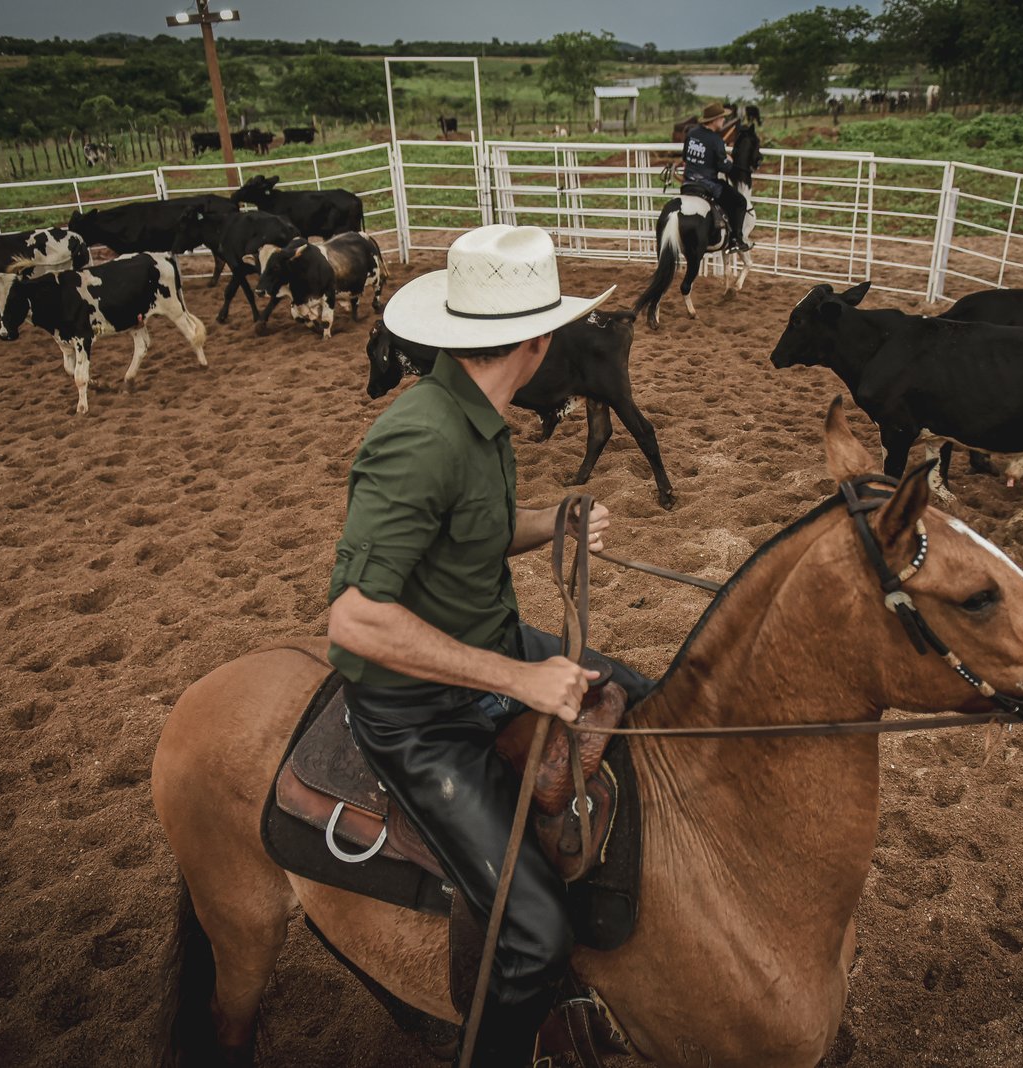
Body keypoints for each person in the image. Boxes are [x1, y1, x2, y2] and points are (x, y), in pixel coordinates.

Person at [325, 224, 652, 1067]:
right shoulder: (420, 437)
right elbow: (355, 620)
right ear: (536, 344)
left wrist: (557, 521)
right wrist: (518, 678)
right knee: (534, 936)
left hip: (494, 647)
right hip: (417, 710)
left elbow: (479, 529)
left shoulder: (480, 417)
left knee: (653, 701)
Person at [681, 101, 752, 253]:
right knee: (740, 202)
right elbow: (723, 167)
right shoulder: (716, 140)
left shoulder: (692, 133)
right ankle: (736, 240)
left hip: (688, 182)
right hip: (708, 184)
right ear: (714, 120)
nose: (724, 120)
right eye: (722, 118)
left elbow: (685, 158)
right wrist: (729, 161)